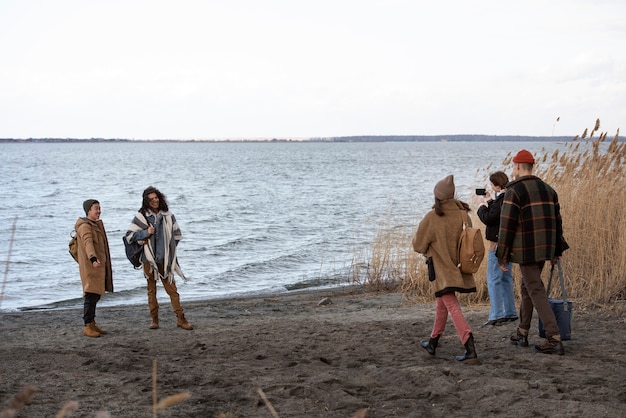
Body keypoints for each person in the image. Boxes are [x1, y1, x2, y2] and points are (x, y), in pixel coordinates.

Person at [496, 149, 568, 355]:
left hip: (526, 250)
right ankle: (522, 331)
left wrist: (502, 256)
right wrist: (557, 249)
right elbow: (557, 223)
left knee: (534, 288)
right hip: (544, 248)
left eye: (513, 166)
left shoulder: (514, 191)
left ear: (517, 166)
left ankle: (553, 336)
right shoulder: (549, 190)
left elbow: (507, 226)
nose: (513, 169)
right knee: (527, 287)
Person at [412, 175, 479, 365]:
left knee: (451, 305)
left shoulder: (433, 217)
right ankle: (432, 343)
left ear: (437, 197)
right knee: (442, 303)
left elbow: (418, 245)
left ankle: (470, 347)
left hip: (441, 269)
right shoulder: (463, 215)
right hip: (458, 268)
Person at [125, 186, 193, 330]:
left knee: (172, 290)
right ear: (146, 202)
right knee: (151, 290)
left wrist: (170, 249)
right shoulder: (141, 216)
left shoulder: (168, 215)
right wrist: (145, 233)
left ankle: (181, 319)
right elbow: (130, 236)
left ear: (160, 198)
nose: (154, 201)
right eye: (151, 199)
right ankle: (154, 320)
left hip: (166, 260)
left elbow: (177, 234)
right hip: (148, 260)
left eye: (156, 198)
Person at [474, 171, 517, 326]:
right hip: (508, 244)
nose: (491, 186)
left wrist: (480, 205)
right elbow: (496, 212)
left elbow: (488, 218)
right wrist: (489, 200)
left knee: (493, 279)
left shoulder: (501, 201)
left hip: (497, 246)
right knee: (506, 279)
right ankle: (510, 312)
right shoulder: (507, 198)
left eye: (492, 184)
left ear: (497, 185)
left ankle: (497, 314)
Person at [75, 199, 113, 338]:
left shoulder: (95, 224)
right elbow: (87, 242)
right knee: (91, 295)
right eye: (96, 208)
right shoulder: (85, 226)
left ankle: (92, 323)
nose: (99, 211)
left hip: (98, 265)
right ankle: (87, 325)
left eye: (99, 208)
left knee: (95, 295)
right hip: (92, 266)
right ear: (88, 210)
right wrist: (92, 258)